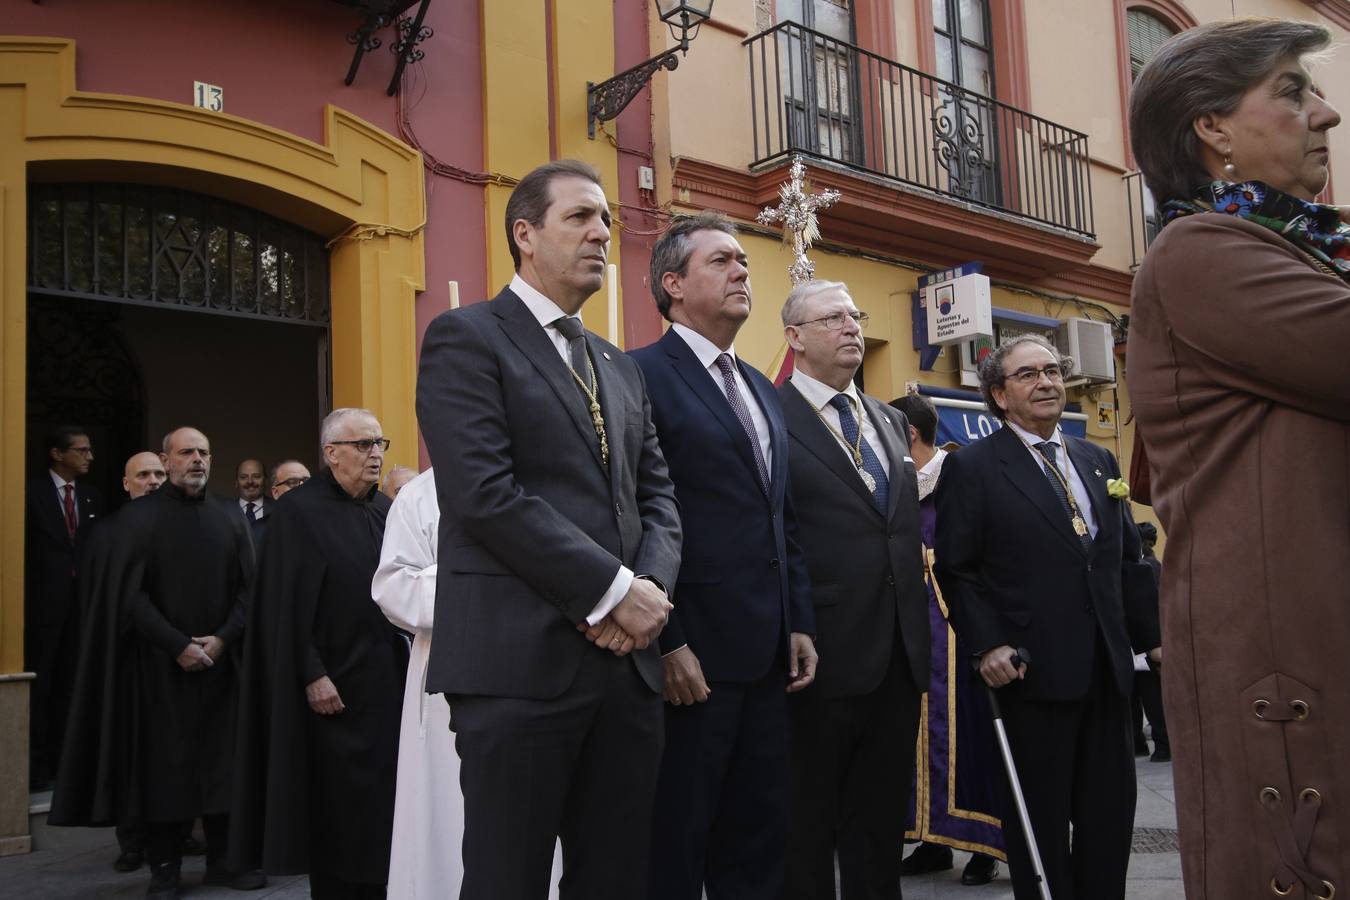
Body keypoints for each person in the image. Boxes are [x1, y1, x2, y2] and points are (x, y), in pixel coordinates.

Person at [415, 158, 681, 900]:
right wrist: (609, 590)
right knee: (509, 880)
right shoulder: (466, 338)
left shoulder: (617, 365)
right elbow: (483, 495)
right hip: (517, 668)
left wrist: (648, 591)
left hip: (627, 672)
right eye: (581, 217)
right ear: (524, 234)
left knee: (617, 878)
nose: (603, 232)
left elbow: (657, 494)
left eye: (607, 219)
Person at [1126, 18, 1348, 898]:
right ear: (1211, 128)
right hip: (1286, 667)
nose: (1325, 113)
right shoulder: (1201, 254)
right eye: (1291, 92)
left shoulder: (1295, 253)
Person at [933, 335, 1160, 900]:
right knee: (1042, 826)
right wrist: (987, 645)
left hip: (1107, 676)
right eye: (1029, 374)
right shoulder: (974, 469)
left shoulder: (1096, 458)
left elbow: (1126, 558)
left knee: (1109, 816)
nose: (1047, 382)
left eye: (1054, 371)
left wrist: (1153, 640)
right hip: (1032, 675)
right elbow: (958, 569)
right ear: (999, 394)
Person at [630, 213, 816, 900]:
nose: (743, 271)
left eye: (743, 260)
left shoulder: (761, 390)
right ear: (673, 285)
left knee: (758, 837)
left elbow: (779, 515)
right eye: (722, 262)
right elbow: (635, 516)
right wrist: (666, 640)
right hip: (691, 660)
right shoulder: (639, 375)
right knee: (676, 840)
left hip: (767, 657)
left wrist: (797, 620)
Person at [50, 427, 263, 898]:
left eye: (205, 452)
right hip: (158, 671)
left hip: (222, 668)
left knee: (224, 768)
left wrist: (223, 639)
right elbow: (127, 595)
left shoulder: (231, 516)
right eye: (187, 452)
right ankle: (164, 868)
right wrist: (177, 645)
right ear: (166, 461)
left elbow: (251, 589)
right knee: (164, 772)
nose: (197, 460)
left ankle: (224, 861)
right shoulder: (137, 519)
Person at [775, 281, 929, 900]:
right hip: (820, 652)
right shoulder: (771, 414)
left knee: (879, 826)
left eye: (855, 314)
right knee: (807, 825)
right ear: (795, 337)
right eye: (833, 317)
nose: (851, 327)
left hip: (896, 651)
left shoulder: (890, 419)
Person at [230, 409, 407, 898]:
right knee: (336, 806)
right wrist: (310, 673)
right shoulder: (298, 513)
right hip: (332, 686)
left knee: (385, 801)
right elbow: (280, 607)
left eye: (380, 443)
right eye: (364, 444)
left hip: (386, 682)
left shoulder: (386, 511)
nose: (375, 454)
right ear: (331, 453)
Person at [371, 468, 563, 900]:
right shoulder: (418, 496)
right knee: (446, 814)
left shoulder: (545, 478)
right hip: (451, 674)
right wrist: (483, 583)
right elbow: (392, 588)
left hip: (537, 670)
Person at [889, 393, 1004, 886]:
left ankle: (989, 847)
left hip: (963, 630)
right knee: (919, 737)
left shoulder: (964, 474)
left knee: (976, 737)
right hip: (916, 631)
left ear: (909, 434)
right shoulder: (896, 486)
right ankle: (933, 840)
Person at [24, 425, 102, 790]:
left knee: (72, 687)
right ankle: (37, 769)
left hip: (80, 609)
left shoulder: (91, 497)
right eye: (81, 450)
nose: (89, 456)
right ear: (57, 454)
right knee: (42, 687)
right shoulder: (31, 492)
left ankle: (67, 766)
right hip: (43, 610)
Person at [1130, 522, 1168, 764]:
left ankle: (1155, 743)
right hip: (1150, 640)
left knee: (1147, 698)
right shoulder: (1155, 565)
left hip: (1146, 643)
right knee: (1150, 697)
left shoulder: (1144, 567)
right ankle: (1157, 743)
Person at [235, 459, 269, 545]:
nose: (250, 481)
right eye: (243, 477)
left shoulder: (279, 510)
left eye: (256, 476)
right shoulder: (224, 512)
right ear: (236, 482)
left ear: (265, 481)